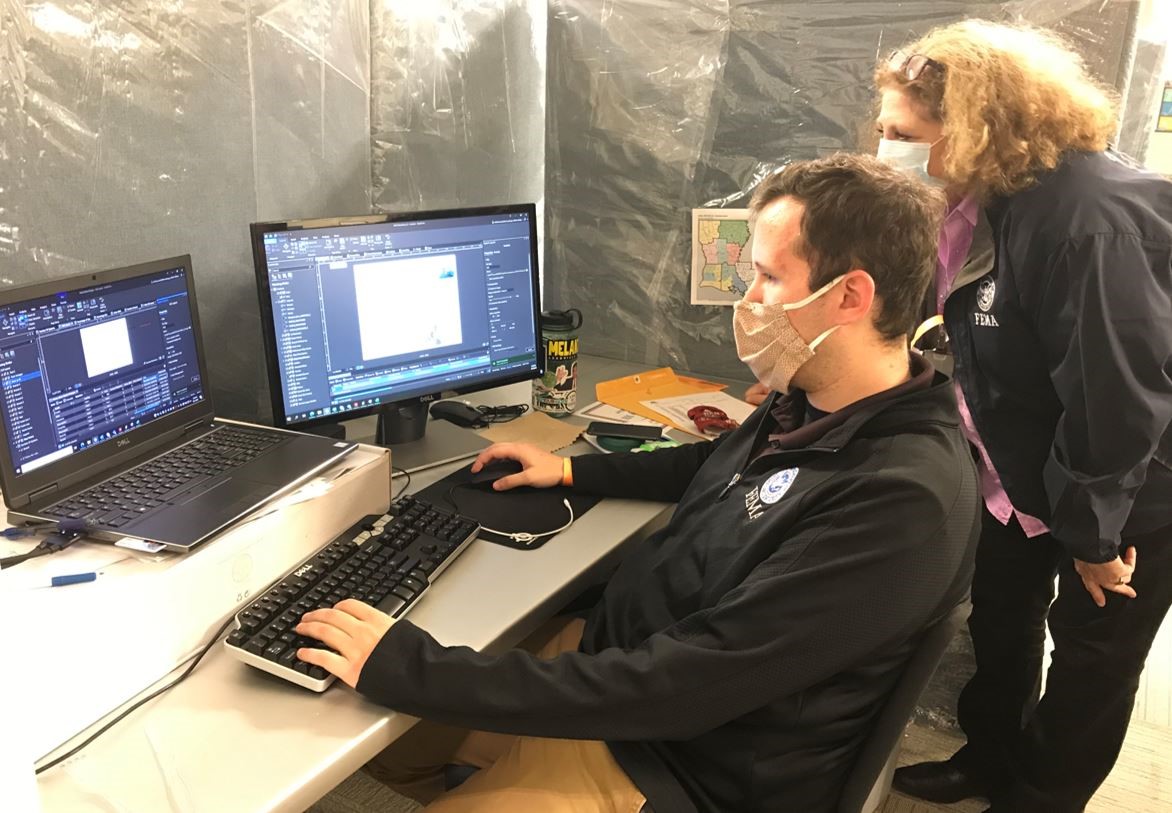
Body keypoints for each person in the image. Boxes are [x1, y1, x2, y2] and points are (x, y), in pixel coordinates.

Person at [292, 154, 981, 813]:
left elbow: (685, 686)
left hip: (680, 758)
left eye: (769, 277)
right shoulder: (818, 400)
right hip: (620, 656)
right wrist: (569, 469)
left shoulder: (901, 500)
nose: (747, 301)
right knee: (372, 735)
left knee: (397, 688)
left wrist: (412, 667)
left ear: (850, 296)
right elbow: (713, 468)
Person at [862, 20, 1172, 813]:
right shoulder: (986, 200)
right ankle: (989, 757)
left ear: (971, 127)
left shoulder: (1087, 219)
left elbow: (1116, 394)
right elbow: (965, 331)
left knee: (1091, 660)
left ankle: (1039, 797)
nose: (887, 146)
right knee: (1004, 617)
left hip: (1130, 485)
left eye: (904, 132)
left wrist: (1096, 536)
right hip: (1020, 463)